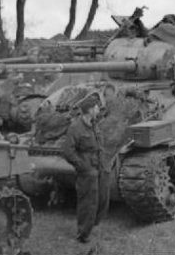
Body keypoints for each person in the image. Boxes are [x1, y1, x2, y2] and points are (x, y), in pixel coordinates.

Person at [62, 92, 110, 243]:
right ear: (89, 110)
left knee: (103, 199)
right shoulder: (75, 128)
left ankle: (93, 223)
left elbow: (99, 146)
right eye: (96, 107)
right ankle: (83, 233)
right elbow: (68, 151)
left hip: (100, 168)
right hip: (87, 171)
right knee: (88, 202)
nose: (98, 109)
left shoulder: (94, 125)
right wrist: (82, 166)